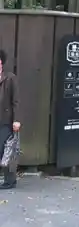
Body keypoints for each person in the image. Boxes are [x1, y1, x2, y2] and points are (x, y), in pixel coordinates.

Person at [0, 50, 20, 189]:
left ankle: (10, 180)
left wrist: (17, 120)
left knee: (5, 149)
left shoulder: (10, 78)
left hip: (6, 121)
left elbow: (16, 101)